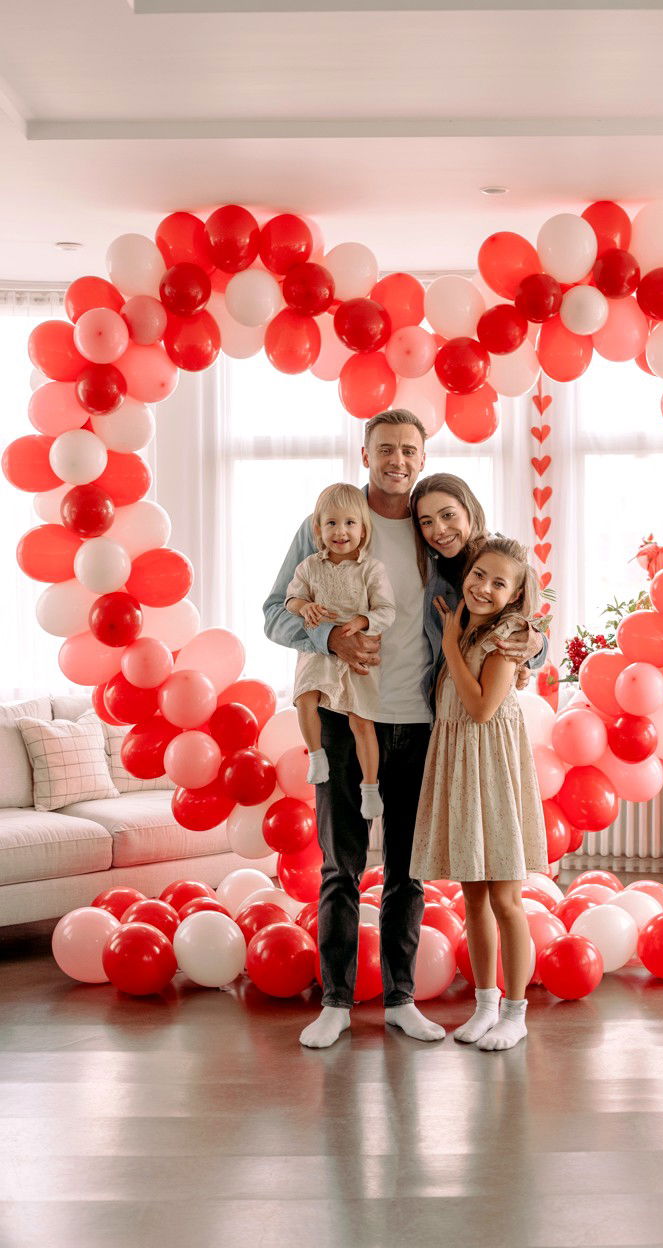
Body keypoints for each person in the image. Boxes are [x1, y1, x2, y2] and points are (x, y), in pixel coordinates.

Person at [263, 409, 546, 1049]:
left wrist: (534, 642)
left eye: (409, 450)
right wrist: (329, 637)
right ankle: (335, 1003)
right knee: (340, 866)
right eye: (385, 448)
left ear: (422, 458)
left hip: (422, 725)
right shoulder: (331, 520)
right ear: (365, 454)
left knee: (406, 871)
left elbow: (510, 599)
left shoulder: (442, 537)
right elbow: (275, 612)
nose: (397, 460)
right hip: (344, 715)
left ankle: (399, 999)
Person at [410, 536, 548, 1052]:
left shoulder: (508, 634)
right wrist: (454, 638)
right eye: (478, 575)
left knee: (506, 900)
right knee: (473, 898)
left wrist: (450, 647)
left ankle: (515, 1013)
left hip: (492, 771)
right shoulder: (466, 624)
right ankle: (485, 1005)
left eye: (499, 583)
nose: (484, 587)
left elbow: (483, 709)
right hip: (462, 768)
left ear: (515, 595)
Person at [284, 482, 395, 820]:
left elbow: (387, 610)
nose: (340, 531)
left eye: (349, 523)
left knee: (362, 721)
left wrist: (364, 620)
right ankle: (316, 755)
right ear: (318, 528)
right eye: (331, 523)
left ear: (363, 530)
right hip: (319, 652)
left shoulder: (371, 569)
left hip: (359, 653)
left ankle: (370, 787)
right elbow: (289, 599)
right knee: (304, 697)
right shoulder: (309, 567)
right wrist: (304, 607)